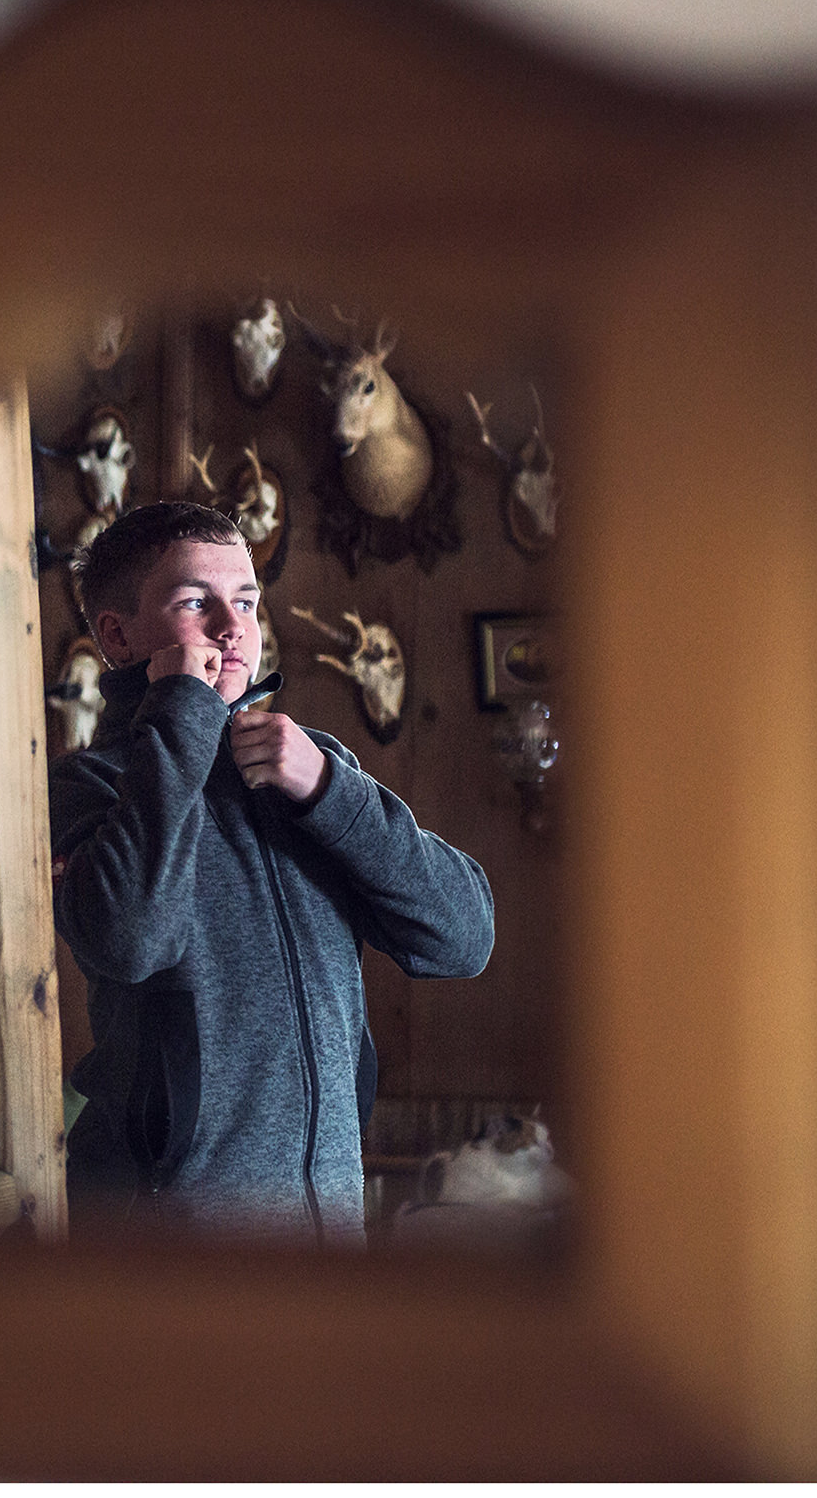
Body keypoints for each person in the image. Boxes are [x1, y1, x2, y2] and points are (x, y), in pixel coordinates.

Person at [49, 501, 495, 1246]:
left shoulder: (314, 772)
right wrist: (183, 716)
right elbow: (131, 940)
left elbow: (464, 939)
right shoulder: (88, 786)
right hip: (166, 1259)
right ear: (117, 635)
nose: (233, 627)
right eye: (197, 602)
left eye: (248, 602)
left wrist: (331, 791)